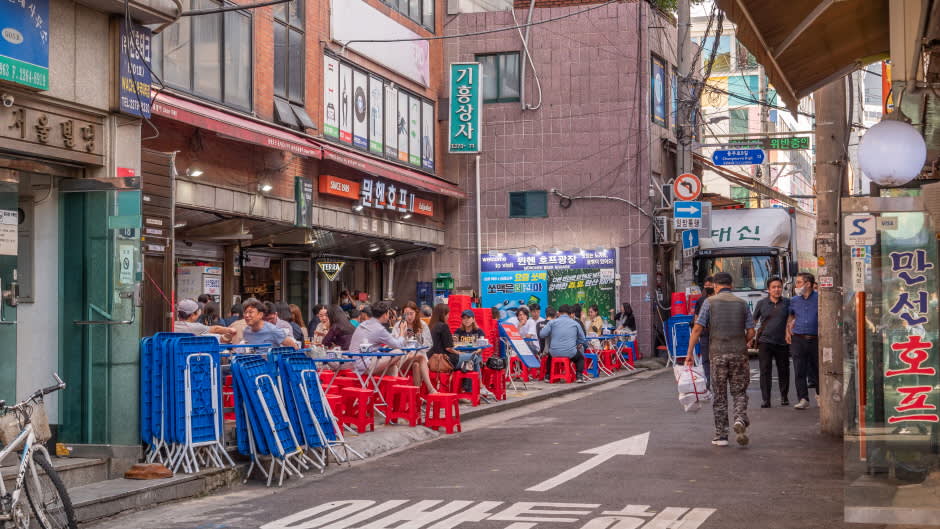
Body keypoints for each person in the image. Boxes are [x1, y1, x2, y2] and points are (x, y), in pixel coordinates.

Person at [686, 272, 755, 447]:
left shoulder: (710, 302)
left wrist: (689, 355)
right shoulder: (742, 303)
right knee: (739, 392)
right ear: (731, 285)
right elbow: (751, 332)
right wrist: (742, 341)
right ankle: (739, 418)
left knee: (720, 395)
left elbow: (697, 329)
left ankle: (721, 435)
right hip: (739, 354)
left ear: (715, 286)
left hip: (717, 354)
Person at [348, 301, 415, 387]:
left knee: (393, 368)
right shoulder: (379, 329)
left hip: (355, 363)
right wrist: (402, 330)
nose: (389, 316)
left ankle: (388, 396)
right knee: (398, 352)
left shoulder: (363, 324)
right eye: (388, 313)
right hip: (365, 365)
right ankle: (388, 395)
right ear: (385, 315)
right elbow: (398, 345)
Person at [752, 276, 791, 408]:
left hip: (782, 342)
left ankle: (784, 397)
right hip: (765, 341)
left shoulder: (787, 303)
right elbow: (754, 321)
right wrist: (749, 337)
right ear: (768, 290)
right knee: (765, 371)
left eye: (779, 287)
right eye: (773, 287)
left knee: (784, 370)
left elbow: (791, 319)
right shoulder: (761, 303)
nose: (777, 289)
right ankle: (766, 399)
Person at [787, 272, 819, 410]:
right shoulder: (794, 300)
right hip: (798, 338)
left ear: (808, 284)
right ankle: (803, 398)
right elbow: (790, 317)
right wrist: (787, 332)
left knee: (818, 369)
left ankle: (821, 396)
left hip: (816, 338)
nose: (797, 285)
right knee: (799, 369)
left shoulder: (820, 298)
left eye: (799, 282)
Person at [539, 305, 588, 383]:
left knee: (550, 357)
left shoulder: (552, 322)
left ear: (558, 313)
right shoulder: (575, 323)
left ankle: (548, 376)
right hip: (570, 352)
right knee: (580, 358)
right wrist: (576, 343)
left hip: (554, 352)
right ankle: (579, 376)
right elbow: (582, 339)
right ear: (569, 314)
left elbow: (542, 334)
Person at [694, 276, 715, 389]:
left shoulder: (717, 299)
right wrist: (696, 333)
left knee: (715, 358)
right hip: (705, 332)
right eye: (706, 286)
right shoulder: (701, 300)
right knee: (706, 359)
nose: (708, 287)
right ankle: (707, 380)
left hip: (716, 333)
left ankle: (715, 380)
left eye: (710, 285)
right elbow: (696, 317)